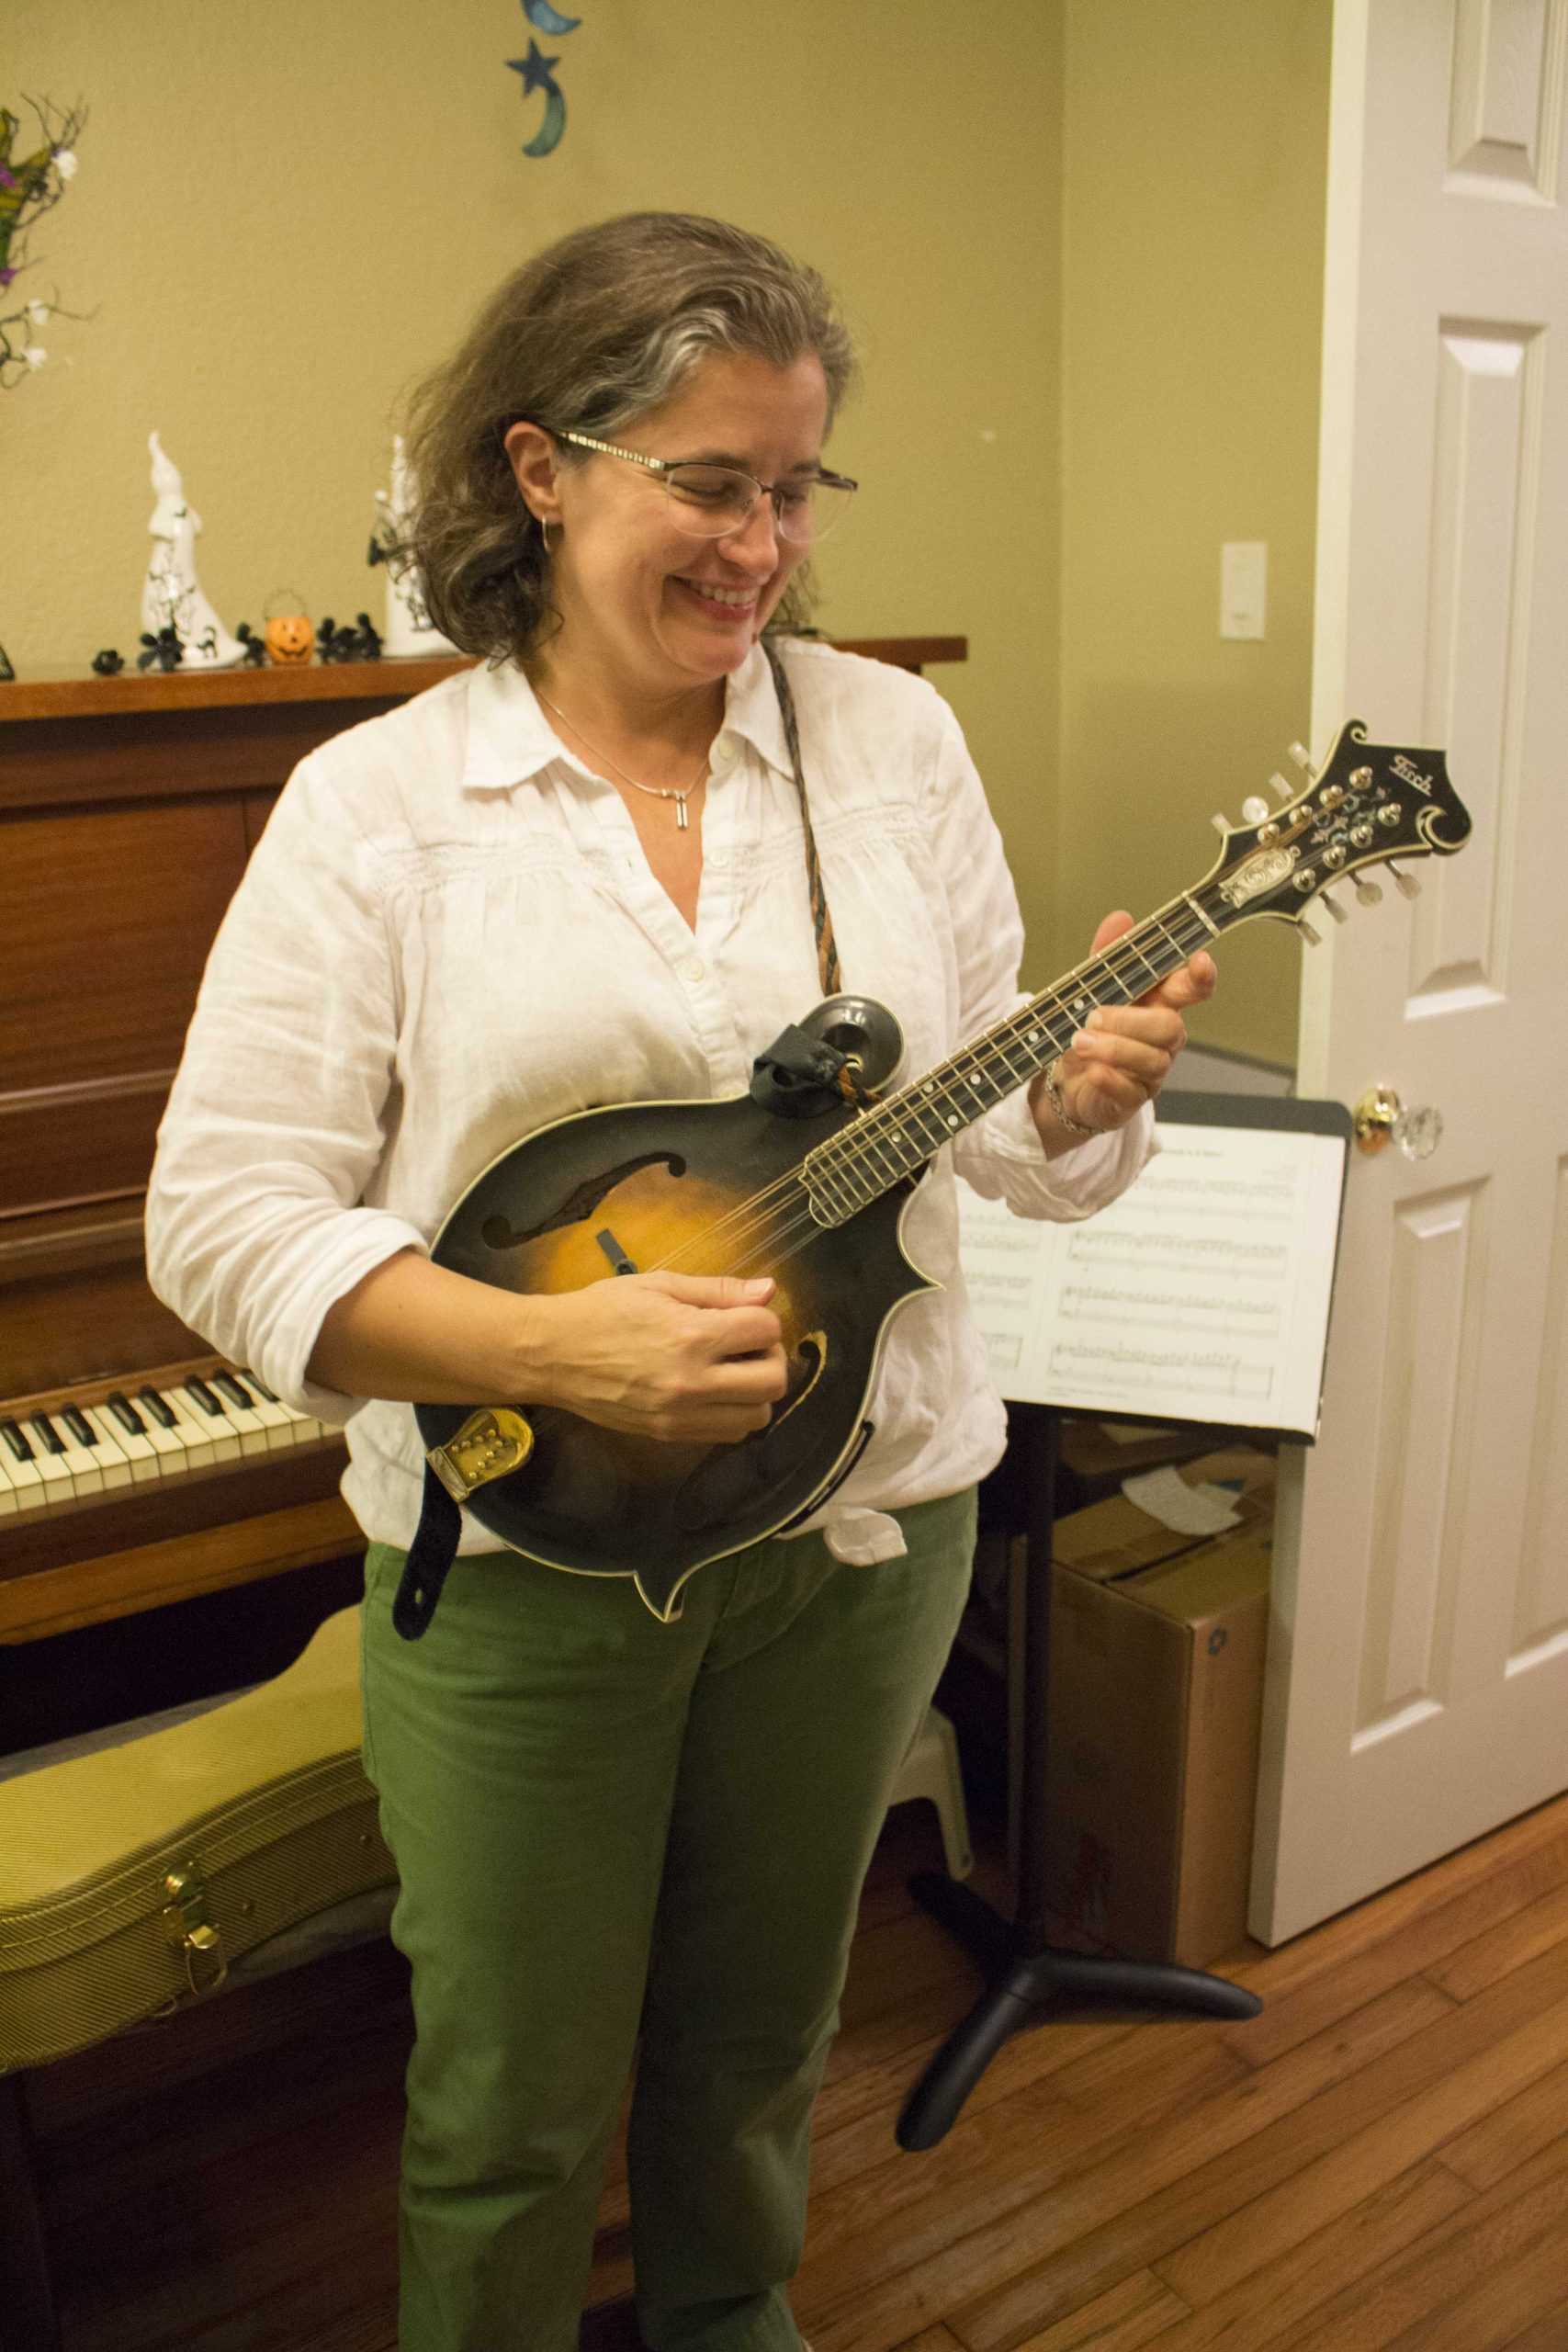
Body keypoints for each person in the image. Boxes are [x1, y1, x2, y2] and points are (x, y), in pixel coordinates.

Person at [145, 210, 1215, 2352]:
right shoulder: (379, 806)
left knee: (750, 2052)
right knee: (510, 2106)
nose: (758, 547)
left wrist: (1080, 1087)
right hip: (524, 1569)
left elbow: (985, 1131)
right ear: (542, 469)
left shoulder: (889, 744)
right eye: (707, 484)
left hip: (861, 1527)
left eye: (794, 488)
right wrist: (551, 1344)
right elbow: (223, 1217)